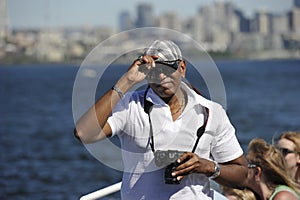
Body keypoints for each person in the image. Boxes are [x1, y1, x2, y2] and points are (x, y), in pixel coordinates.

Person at [74, 40, 248, 199]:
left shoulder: (210, 112)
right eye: (154, 71)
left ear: (182, 68)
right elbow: (83, 133)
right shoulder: (131, 106)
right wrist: (127, 80)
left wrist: (206, 167)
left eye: (167, 69)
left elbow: (242, 176)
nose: (161, 77)